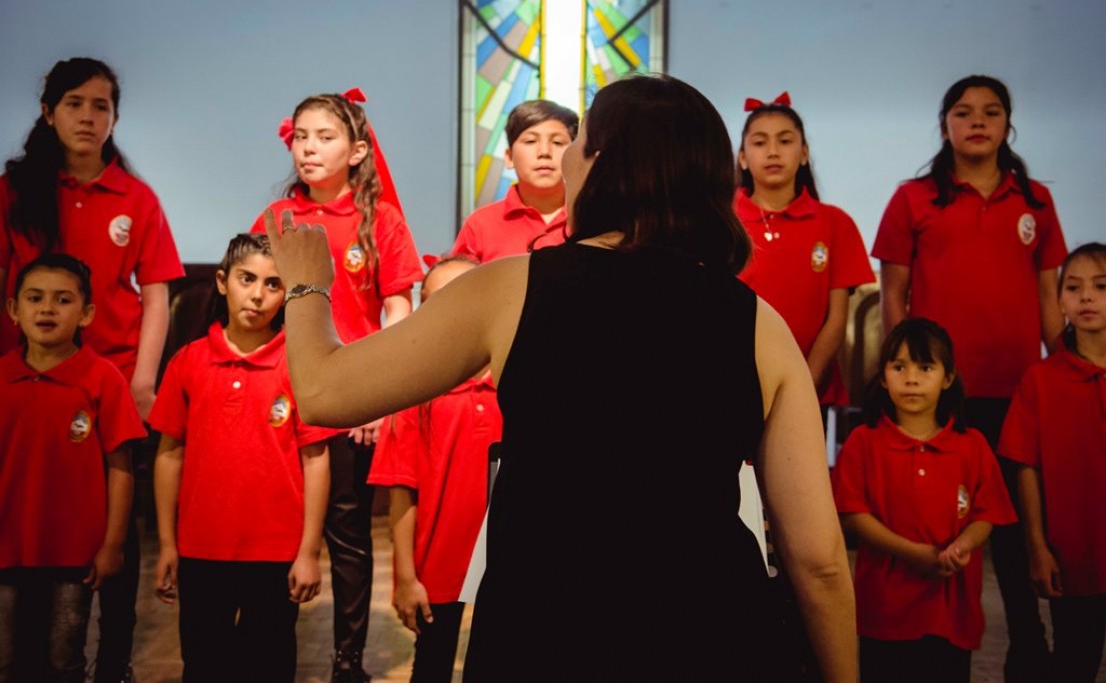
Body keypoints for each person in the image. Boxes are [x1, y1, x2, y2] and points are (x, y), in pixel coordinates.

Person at [264, 73, 857, 682]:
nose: (566, 153)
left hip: (547, 628)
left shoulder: (511, 287)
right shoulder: (760, 325)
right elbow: (818, 562)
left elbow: (324, 391)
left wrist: (308, 285)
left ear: (602, 163)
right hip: (707, 633)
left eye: (581, 138)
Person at [871, 74, 1067, 681]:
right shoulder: (913, 200)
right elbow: (893, 296)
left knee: (1009, 524)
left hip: (1017, 388)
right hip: (941, 392)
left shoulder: (1035, 201)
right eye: (963, 112)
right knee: (934, 519)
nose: (976, 121)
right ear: (945, 124)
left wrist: (1064, 372)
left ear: (1008, 123)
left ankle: (1027, 641)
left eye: (990, 111)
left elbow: (1048, 296)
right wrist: (908, 374)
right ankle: (924, 642)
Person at [0, 57, 184, 683]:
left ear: (114, 119)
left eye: (101, 106)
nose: (88, 116)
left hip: (110, 381)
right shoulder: (15, 193)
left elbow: (157, 291)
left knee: (116, 527)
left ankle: (115, 662)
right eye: (75, 103)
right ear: (49, 112)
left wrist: (143, 380)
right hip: (26, 383)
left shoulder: (136, 199)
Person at [250, 88, 422, 682]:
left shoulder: (381, 220)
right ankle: (270, 650)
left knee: (347, 531)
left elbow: (398, 304)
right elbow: (256, 305)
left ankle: (348, 659)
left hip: (350, 394)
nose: (309, 148)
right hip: (284, 395)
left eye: (325, 137)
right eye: (301, 137)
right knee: (279, 522)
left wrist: (380, 388)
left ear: (356, 149)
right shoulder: (275, 220)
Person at [148, 233, 331, 683]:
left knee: (267, 666)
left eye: (273, 284)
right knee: (204, 665)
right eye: (247, 279)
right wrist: (169, 544)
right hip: (201, 551)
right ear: (223, 281)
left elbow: (316, 459)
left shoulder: (298, 364)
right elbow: (169, 456)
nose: (258, 294)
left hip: (275, 554)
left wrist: (308, 551)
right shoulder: (187, 362)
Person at [832, 317, 1016, 682]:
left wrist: (962, 546)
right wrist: (912, 552)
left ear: (947, 378)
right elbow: (853, 514)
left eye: (925, 367)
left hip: (951, 611)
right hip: (884, 611)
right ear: (883, 377)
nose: (912, 378)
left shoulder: (972, 446)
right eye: (899, 366)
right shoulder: (863, 444)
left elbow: (987, 513)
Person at [0, 254, 141, 683]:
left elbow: (121, 467)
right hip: (5, 549)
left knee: (65, 663)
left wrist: (112, 545)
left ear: (86, 314)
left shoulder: (101, 379)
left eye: (62, 300)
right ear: (13, 310)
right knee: (6, 664)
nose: (47, 309)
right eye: (35, 298)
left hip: (73, 555)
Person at [367, 254, 500, 682]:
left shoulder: (516, 383)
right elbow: (401, 492)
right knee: (432, 664)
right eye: (436, 299)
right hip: (438, 566)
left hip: (507, 559)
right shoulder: (415, 392)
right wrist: (405, 578)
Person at [998, 242, 1106, 682]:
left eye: (1100, 286)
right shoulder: (1039, 381)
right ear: (1058, 299)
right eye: (1074, 287)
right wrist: (1037, 547)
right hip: (1074, 560)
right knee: (1073, 663)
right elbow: (1025, 467)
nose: (1086, 297)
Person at [734, 91, 875, 408]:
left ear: (804, 153)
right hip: (733, 385)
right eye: (759, 143)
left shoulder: (835, 223)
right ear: (742, 157)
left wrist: (802, 386)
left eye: (785, 141)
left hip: (812, 389)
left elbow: (836, 319)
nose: (773, 152)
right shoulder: (720, 218)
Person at [450, 99, 578, 262]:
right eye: (531, 141)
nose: (544, 152)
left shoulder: (593, 219)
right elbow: (460, 284)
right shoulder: (480, 225)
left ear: (575, 155)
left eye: (557, 142)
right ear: (509, 157)